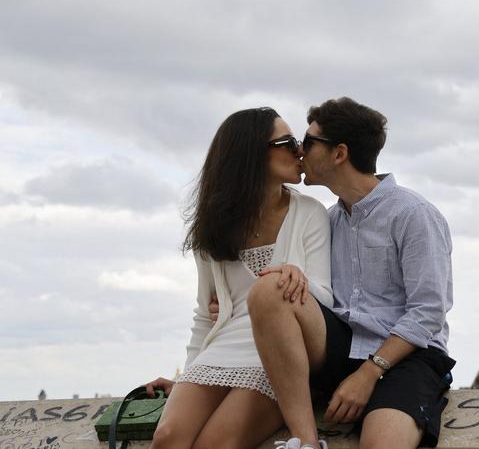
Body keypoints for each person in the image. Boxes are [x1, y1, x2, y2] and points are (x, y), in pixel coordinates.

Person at [245, 97, 455, 449]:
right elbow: (294, 299)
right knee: (272, 287)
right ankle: (305, 443)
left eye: (308, 142)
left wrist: (369, 373)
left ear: (339, 153)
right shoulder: (326, 221)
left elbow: (428, 312)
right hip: (342, 344)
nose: (299, 150)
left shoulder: (414, 214)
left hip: (407, 356)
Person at [145, 107, 334, 449]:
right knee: (167, 438)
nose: (299, 150)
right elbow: (205, 315)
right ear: (251, 153)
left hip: (279, 349)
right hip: (224, 346)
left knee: (214, 444)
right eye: (287, 142)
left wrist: (297, 279)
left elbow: (326, 300)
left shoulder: (309, 214)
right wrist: (187, 375)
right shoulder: (212, 228)